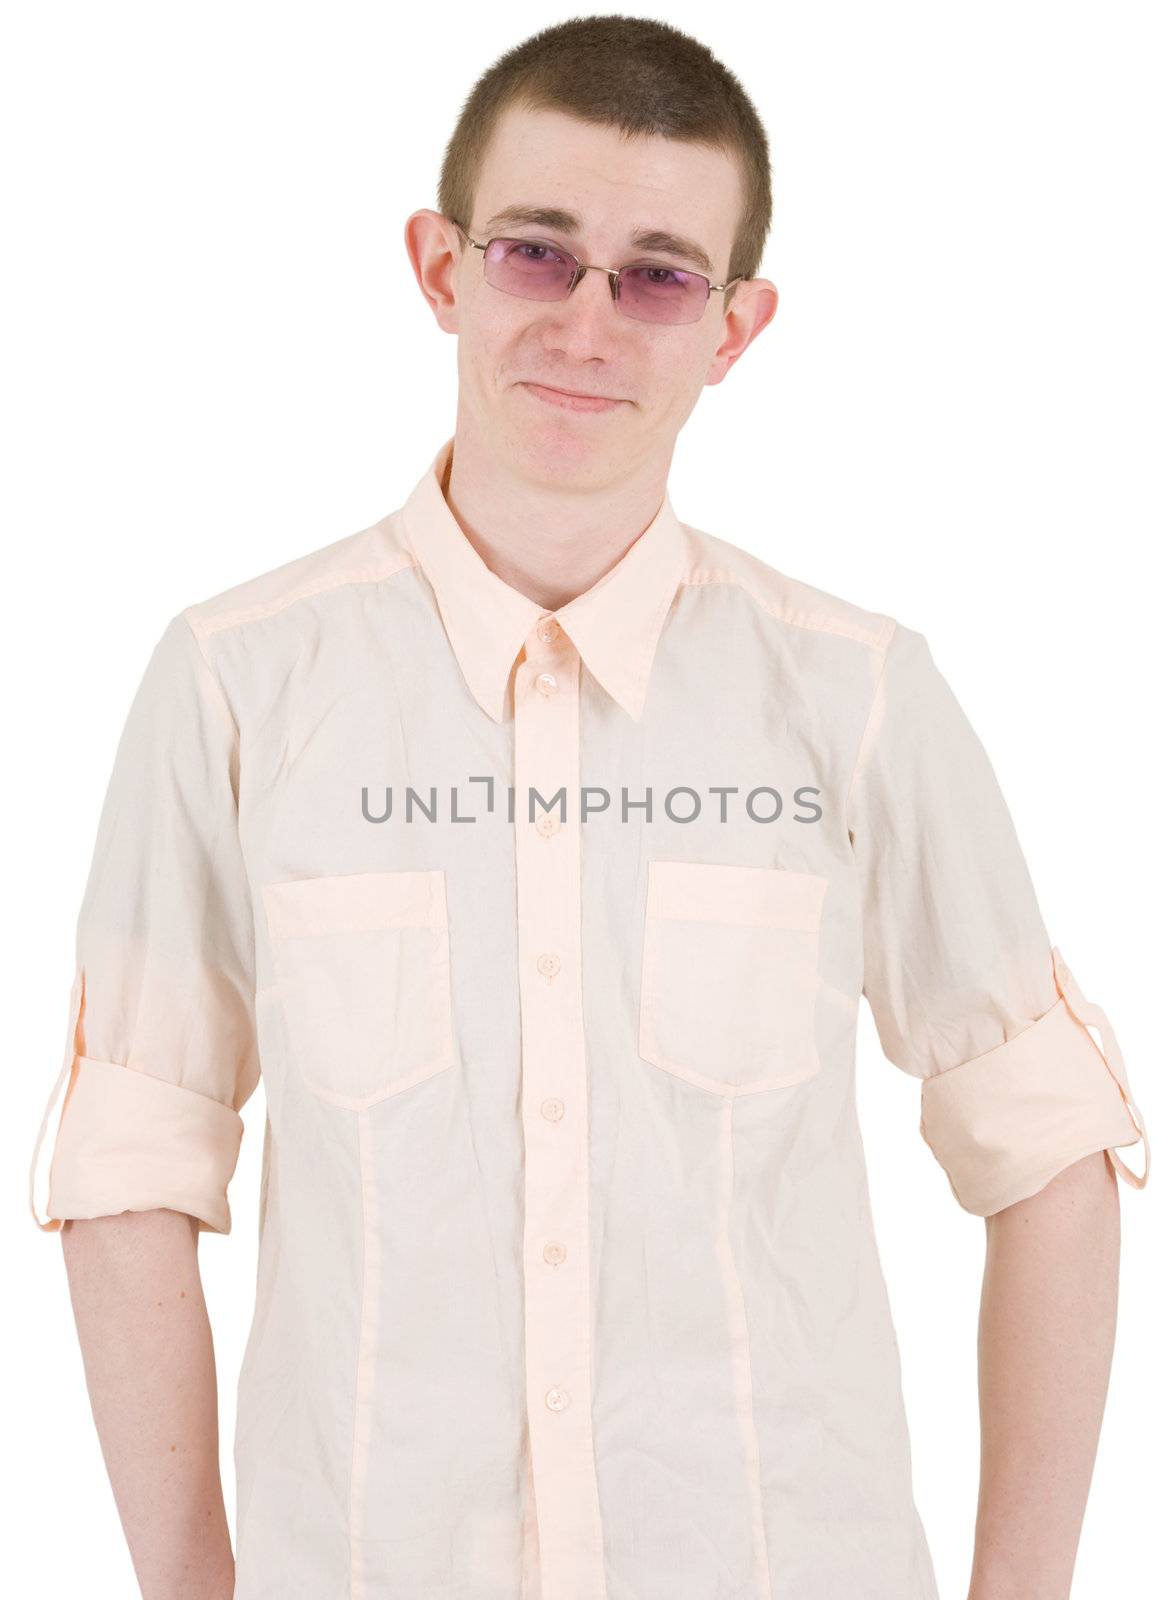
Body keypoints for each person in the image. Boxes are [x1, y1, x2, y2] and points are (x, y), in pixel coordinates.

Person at [28, 16, 1149, 1600]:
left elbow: (1048, 1150)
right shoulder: (236, 684)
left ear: (736, 328)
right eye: (538, 254)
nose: (589, 323)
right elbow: (134, 1159)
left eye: (661, 273)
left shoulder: (859, 696)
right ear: (440, 269)